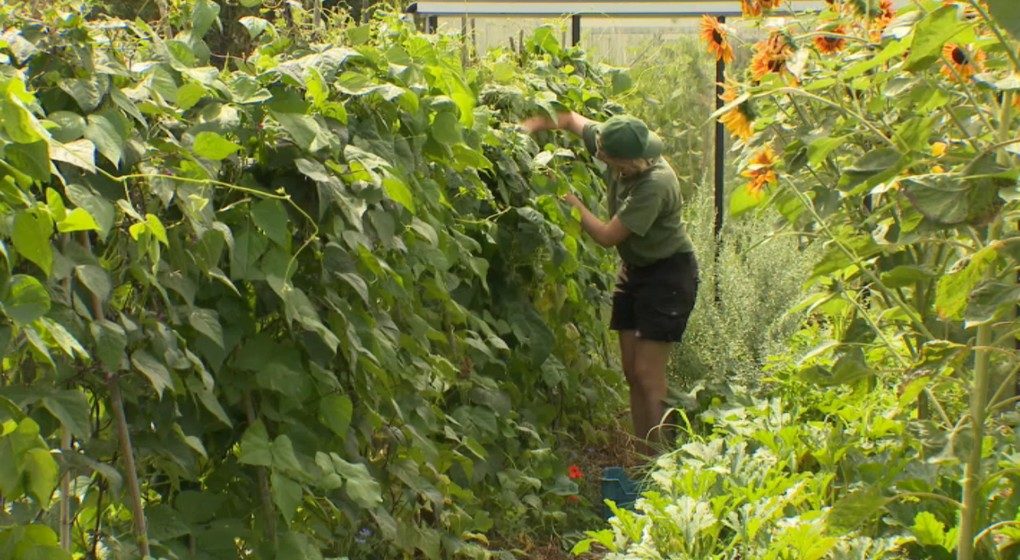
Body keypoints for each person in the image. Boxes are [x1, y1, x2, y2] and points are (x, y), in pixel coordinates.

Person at [520, 112, 698, 456]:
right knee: (631, 371)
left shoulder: (655, 184)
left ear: (628, 159)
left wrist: (566, 196)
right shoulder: (612, 140)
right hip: (636, 269)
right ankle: (644, 457)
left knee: (648, 375)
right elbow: (570, 118)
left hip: (669, 276)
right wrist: (528, 128)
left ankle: (664, 463)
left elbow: (606, 235)